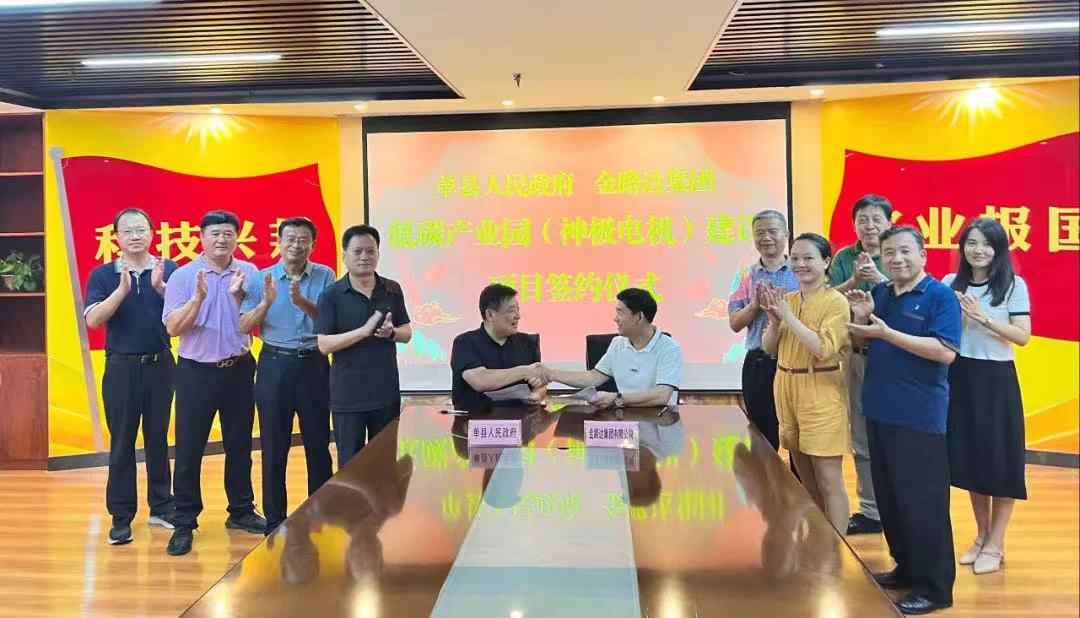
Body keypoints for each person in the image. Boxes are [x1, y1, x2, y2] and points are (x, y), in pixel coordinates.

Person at [846, 225, 960, 615]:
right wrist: (863, 321)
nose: (896, 259)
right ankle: (907, 568)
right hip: (879, 409)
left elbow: (945, 351)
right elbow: (863, 344)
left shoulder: (940, 296)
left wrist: (887, 333)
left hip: (919, 416)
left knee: (923, 503)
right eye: (889, 252)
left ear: (923, 255)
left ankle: (935, 588)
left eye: (905, 251)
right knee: (892, 499)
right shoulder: (880, 293)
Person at [162, 210, 266, 556]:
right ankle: (184, 520)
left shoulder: (248, 272)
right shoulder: (183, 276)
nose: (222, 239)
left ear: (237, 237)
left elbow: (253, 321)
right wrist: (197, 299)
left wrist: (240, 298)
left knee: (240, 445)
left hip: (238, 369)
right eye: (215, 233)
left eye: (228, 233)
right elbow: (172, 328)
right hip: (196, 372)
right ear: (202, 237)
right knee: (189, 449)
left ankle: (240, 510)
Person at [84, 208, 179, 546]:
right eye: (128, 231)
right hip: (121, 367)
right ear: (117, 237)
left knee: (158, 439)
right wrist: (122, 290)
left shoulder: (169, 269)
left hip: (161, 364)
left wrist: (161, 288)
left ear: (152, 233)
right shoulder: (103, 275)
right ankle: (121, 517)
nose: (135, 236)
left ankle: (162, 507)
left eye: (141, 229)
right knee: (122, 441)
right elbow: (93, 320)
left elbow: (183, 314)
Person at [944, 218, 1031, 575]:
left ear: (999, 249)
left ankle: (996, 543)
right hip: (960, 376)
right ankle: (981, 536)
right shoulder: (950, 283)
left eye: (986, 244)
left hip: (996, 380)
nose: (978, 250)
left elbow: (1022, 336)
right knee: (971, 461)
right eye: (971, 243)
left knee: (1001, 462)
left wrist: (983, 319)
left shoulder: (1012, 285)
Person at [239, 217, 337, 535]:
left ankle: (319, 513)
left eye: (303, 239)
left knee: (318, 444)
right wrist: (266, 303)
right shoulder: (261, 278)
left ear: (313, 244)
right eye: (290, 238)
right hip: (274, 364)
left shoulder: (325, 275)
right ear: (279, 241)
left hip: (314, 364)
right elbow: (244, 325)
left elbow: (330, 322)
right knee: (273, 444)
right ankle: (274, 520)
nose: (296, 244)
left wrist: (301, 302)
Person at [760, 233, 851, 533]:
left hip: (820, 390)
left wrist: (788, 317)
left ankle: (838, 547)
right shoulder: (789, 300)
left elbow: (823, 348)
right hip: (786, 387)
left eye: (808, 258)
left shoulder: (836, 302)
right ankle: (819, 538)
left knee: (828, 479)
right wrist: (776, 322)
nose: (800, 264)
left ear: (826, 262)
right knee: (805, 478)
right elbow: (768, 349)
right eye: (796, 258)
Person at [315, 224, 412, 467]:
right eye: (357, 252)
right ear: (344, 255)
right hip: (348, 395)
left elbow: (407, 334)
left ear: (378, 253)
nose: (364, 257)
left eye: (370, 251)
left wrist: (391, 333)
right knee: (351, 466)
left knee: (385, 462)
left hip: (385, 392)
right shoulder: (331, 295)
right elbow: (324, 345)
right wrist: (363, 332)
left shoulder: (391, 289)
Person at [829, 194, 892, 536]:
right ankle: (871, 510)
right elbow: (828, 300)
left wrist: (879, 278)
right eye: (862, 219)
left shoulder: (898, 252)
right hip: (856, 354)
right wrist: (854, 280)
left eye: (876, 219)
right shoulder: (844, 257)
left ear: (889, 222)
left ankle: (896, 505)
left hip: (894, 356)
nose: (869, 225)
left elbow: (910, 296)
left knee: (894, 434)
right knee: (861, 434)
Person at [727, 209, 800, 451]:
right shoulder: (745, 276)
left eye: (772, 232)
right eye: (760, 233)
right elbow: (735, 324)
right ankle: (764, 477)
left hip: (794, 360)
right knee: (761, 435)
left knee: (797, 433)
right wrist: (754, 305)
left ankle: (796, 478)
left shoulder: (800, 271)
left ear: (786, 234)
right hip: (758, 362)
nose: (766, 238)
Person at [542, 288, 681, 408]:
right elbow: (594, 377)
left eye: (620, 312)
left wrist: (617, 399)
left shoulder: (669, 348)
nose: (615, 319)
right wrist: (550, 374)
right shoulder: (617, 343)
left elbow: (662, 395)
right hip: (624, 419)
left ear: (639, 317)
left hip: (660, 420)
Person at [450, 283, 546, 410]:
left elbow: (540, 384)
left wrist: (537, 394)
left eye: (518, 309)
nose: (518, 316)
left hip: (521, 418)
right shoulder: (465, 343)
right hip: (476, 419)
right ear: (490, 315)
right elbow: (480, 380)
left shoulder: (528, 342)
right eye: (511, 310)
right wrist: (525, 371)